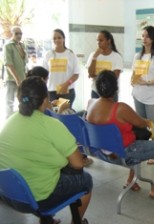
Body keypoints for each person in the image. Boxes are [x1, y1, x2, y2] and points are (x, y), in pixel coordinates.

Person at [0, 76, 92, 224]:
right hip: (38, 199)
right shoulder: (52, 125)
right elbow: (78, 164)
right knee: (86, 179)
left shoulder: (8, 122)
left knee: (40, 169)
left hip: (8, 193)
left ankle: (47, 220)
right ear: (45, 100)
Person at [86, 70, 154, 207]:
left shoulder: (91, 103)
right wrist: (144, 120)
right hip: (124, 154)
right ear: (116, 88)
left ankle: (131, 179)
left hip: (100, 152)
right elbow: (140, 123)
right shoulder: (120, 108)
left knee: (135, 136)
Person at [26, 66, 94, 167]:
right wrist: (61, 109)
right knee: (73, 116)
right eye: (47, 79)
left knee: (74, 114)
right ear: (42, 79)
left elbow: (45, 111)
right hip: (52, 135)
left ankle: (81, 154)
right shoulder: (42, 95)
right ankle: (81, 155)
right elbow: (50, 120)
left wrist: (52, 104)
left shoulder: (28, 93)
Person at [131, 26, 154, 165]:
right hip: (138, 95)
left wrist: (148, 82)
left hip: (153, 97)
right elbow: (135, 74)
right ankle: (144, 151)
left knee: (153, 125)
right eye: (142, 36)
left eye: (146, 36)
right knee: (141, 125)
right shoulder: (137, 56)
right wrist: (133, 80)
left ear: (152, 38)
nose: (144, 39)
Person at [42, 29, 80, 108]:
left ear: (64, 39)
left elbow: (76, 74)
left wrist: (66, 84)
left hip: (67, 92)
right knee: (53, 115)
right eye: (54, 38)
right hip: (51, 92)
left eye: (59, 38)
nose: (57, 40)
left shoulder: (70, 54)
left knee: (64, 114)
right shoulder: (48, 55)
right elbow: (44, 75)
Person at [86, 30, 123, 100]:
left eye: (101, 40)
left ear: (108, 41)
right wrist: (94, 57)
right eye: (97, 40)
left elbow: (114, 78)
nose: (98, 43)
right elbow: (91, 74)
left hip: (111, 93)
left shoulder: (117, 57)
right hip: (95, 91)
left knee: (110, 111)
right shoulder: (93, 55)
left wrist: (96, 77)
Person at [3, 26, 28, 118]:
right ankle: (8, 123)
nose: (19, 35)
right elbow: (8, 64)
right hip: (11, 79)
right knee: (10, 102)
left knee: (23, 100)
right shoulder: (8, 46)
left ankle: (22, 119)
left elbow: (24, 62)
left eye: (20, 33)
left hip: (22, 79)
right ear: (12, 34)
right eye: (16, 33)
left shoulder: (22, 45)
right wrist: (17, 79)